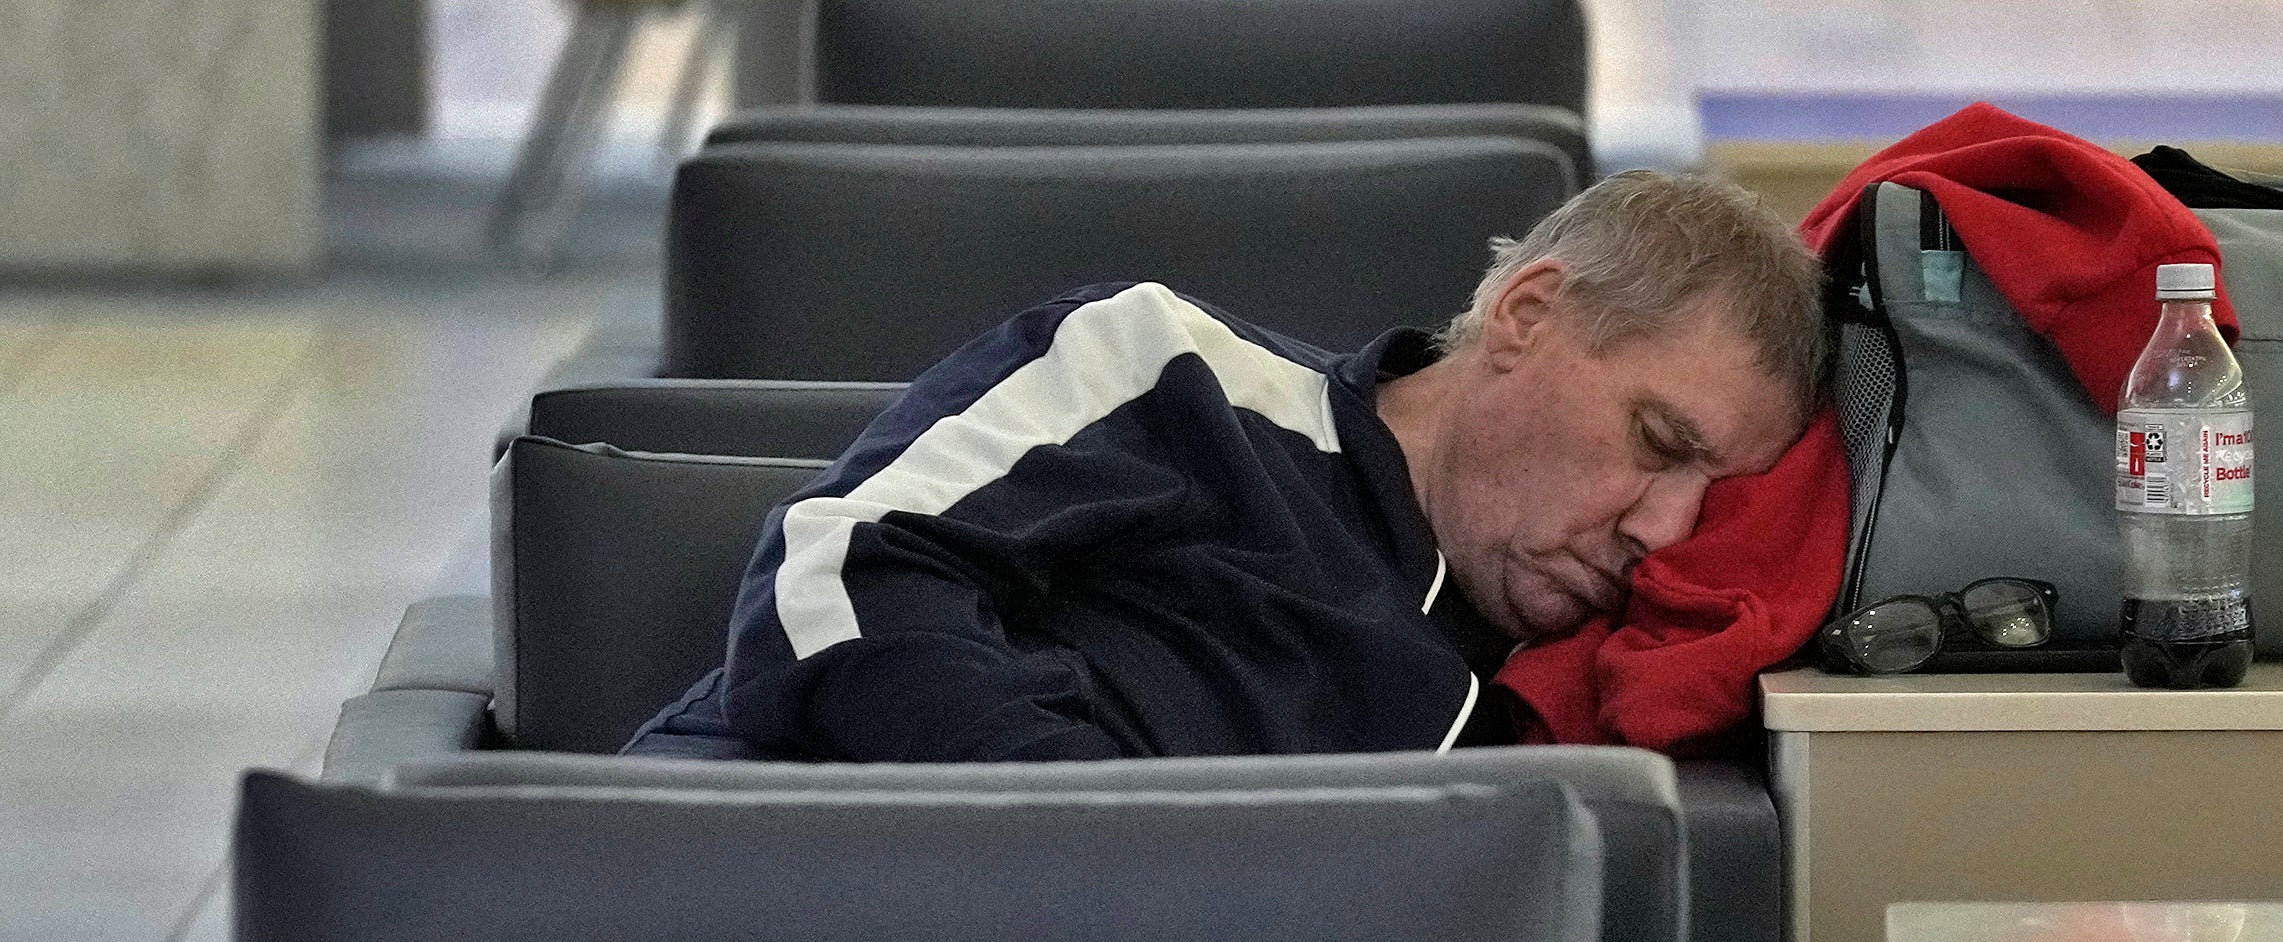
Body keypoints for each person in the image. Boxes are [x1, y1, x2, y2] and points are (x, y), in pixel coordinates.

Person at [631, 169, 1827, 761]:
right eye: (1657, 444)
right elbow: (841, 576)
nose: (1666, 532)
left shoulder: (1536, 695)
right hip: (761, 876)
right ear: (1526, 316)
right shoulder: (1171, 373)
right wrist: (1147, 862)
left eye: (1710, 499)